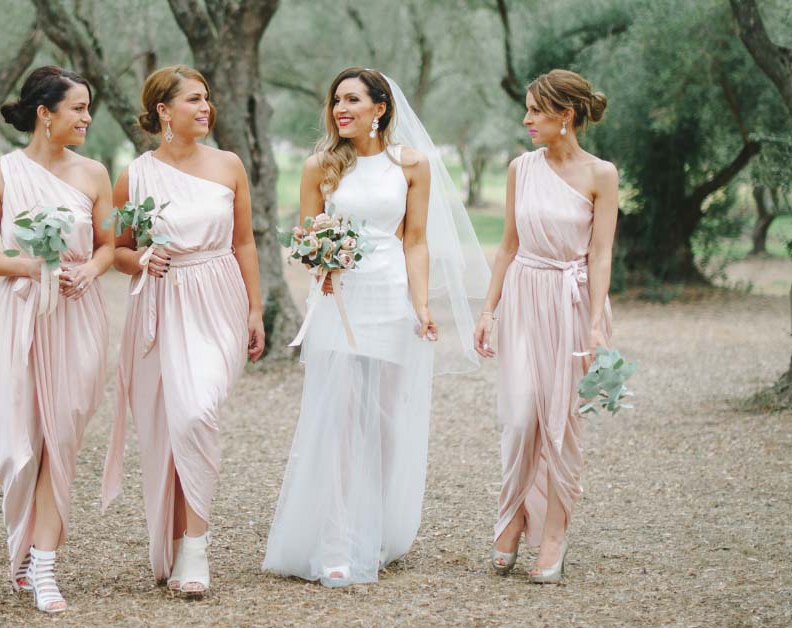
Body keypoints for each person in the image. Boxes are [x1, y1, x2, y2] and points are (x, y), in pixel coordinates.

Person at [262, 67, 488, 587]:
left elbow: (415, 240)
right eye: (336, 99)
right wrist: (320, 261)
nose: (341, 109)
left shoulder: (411, 164)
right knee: (340, 417)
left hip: (389, 297)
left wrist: (421, 304)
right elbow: (306, 233)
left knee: (383, 420)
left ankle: (375, 526)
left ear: (380, 108)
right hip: (339, 300)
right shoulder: (320, 165)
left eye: (353, 100)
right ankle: (338, 540)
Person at [101, 65, 265, 596]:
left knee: (197, 411)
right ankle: (176, 540)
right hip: (163, 304)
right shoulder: (136, 174)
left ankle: (197, 545)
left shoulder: (229, 164)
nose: (205, 107)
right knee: (167, 425)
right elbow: (117, 250)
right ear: (163, 111)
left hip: (219, 297)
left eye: (207, 98)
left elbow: (244, 243)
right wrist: (143, 257)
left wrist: (256, 311)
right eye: (193, 99)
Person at [0, 66, 114, 612]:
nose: (87, 117)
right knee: (19, 447)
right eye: (77, 107)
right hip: (23, 312)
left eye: (88, 107)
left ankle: (45, 566)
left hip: (78, 315)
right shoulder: (0, 173)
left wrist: (91, 270)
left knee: (61, 441)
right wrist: (30, 267)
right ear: (44, 114)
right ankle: (21, 547)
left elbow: (108, 244)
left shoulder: (96, 173)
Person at [475, 69, 618, 584]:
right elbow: (509, 245)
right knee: (519, 417)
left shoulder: (602, 174)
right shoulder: (520, 168)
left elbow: (600, 254)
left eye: (536, 110)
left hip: (573, 301)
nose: (527, 118)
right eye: (528, 109)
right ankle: (514, 511)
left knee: (561, 423)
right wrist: (488, 310)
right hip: (524, 293)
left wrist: (597, 323)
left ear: (567, 116)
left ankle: (553, 533)